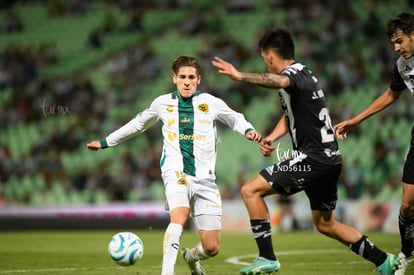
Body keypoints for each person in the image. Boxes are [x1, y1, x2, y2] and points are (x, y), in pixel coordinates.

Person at [212, 28, 401, 275]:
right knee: (326, 224)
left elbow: (279, 81)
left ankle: (267, 257)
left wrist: (239, 76)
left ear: (270, 55)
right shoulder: (306, 74)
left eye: (263, 58)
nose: (265, 64)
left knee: (250, 190)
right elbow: (291, 115)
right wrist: (271, 137)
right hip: (330, 158)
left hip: (314, 158)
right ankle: (384, 261)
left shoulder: (291, 75)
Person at [87, 55, 262, 275]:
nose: (186, 81)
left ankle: (190, 257)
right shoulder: (162, 104)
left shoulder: (211, 102)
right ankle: (167, 272)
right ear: (174, 79)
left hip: (206, 179)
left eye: (191, 77)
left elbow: (235, 118)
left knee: (212, 247)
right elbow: (137, 125)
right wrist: (105, 142)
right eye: (182, 77)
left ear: (198, 79)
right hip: (175, 172)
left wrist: (248, 130)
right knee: (179, 215)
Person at [334, 12, 414, 275]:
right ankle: (406, 253)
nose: (396, 47)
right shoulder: (402, 65)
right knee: (408, 204)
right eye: (393, 42)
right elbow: (392, 93)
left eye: (400, 40)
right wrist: (356, 120)